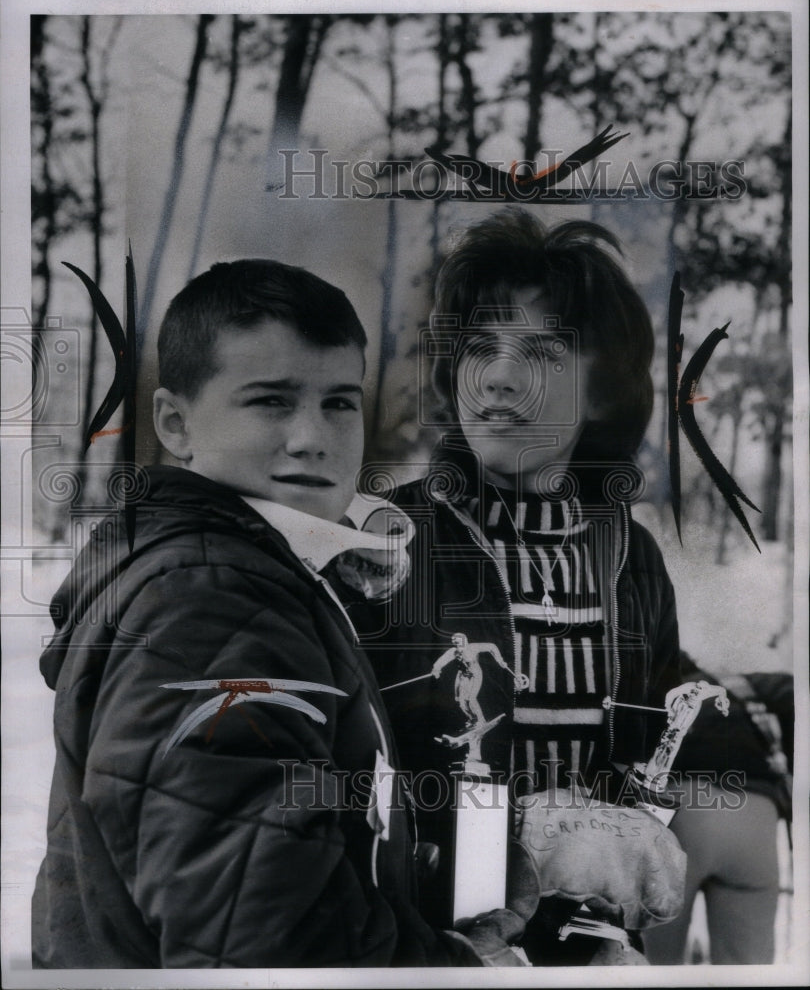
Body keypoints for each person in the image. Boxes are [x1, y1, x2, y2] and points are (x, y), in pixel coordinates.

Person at [31, 259, 531, 968]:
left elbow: (271, 852)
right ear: (175, 423)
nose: (312, 437)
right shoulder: (209, 603)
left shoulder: (250, 570)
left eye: (339, 402)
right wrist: (464, 973)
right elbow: (264, 947)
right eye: (271, 401)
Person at [354, 209, 687, 963]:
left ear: (601, 387)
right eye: (480, 348)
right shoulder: (383, 542)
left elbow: (652, 755)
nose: (499, 377)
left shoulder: (631, 560)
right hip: (422, 949)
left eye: (541, 351)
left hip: (590, 950)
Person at [643, 655, 793, 965]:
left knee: (652, 962)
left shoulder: (659, 688)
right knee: (747, 967)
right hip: (754, 817)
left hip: (677, 815)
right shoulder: (751, 687)